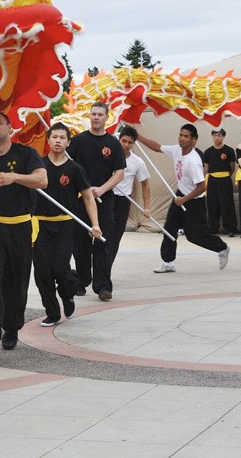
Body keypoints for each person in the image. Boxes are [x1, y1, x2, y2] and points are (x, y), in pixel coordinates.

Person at [0, 112, 47, 363]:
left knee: (16, 282)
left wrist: (13, 177)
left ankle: (11, 326)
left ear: (10, 128)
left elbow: (42, 180)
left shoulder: (26, 154)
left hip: (21, 226)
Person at [33, 123, 101, 327]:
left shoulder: (75, 169)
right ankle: (52, 313)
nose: (57, 141)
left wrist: (95, 224)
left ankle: (68, 294)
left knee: (60, 269)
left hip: (65, 226)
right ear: (48, 139)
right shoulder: (38, 167)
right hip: (40, 226)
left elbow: (89, 198)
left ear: (68, 142)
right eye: (54, 137)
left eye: (62, 138)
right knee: (42, 272)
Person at [136, 124, 229, 273]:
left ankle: (222, 248)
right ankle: (168, 262)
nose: (182, 138)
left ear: (194, 140)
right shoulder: (176, 150)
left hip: (194, 201)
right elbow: (157, 147)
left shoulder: (193, 161)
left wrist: (184, 199)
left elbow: (202, 187)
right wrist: (137, 137)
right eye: (180, 135)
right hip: (180, 195)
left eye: (186, 136)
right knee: (169, 230)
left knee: (194, 236)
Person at [67, 102, 126, 301]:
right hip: (80, 199)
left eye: (100, 114)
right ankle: (82, 281)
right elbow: (69, 165)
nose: (96, 118)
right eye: (93, 114)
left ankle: (102, 286)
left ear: (106, 117)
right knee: (80, 242)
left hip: (105, 199)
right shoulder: (78, 141)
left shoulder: (113, 143)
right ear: (89, 116)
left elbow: (119, 173)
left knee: (103, 241)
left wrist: (102, 189)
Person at [111, 126, 150, 267]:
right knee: (102, 234)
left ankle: (106, 267)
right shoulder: (108, 156)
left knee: (115, 237)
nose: (126, 145)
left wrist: (146, 207)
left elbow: (145, 184)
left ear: (134, 143)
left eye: (130, 142)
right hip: (107, 197)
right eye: (124, 141)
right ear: (119, 139)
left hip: (123, 201)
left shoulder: (138, 162)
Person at [203, 128, 238, 237]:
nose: (217, 137)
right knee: (212, 204)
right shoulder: (208, 152)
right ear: (212, 136)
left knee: (227, 204)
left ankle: (231, 228)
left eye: (219, 135)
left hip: (225, 180)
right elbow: (206, 168)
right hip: (212, 180)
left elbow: (232, 167)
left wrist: (225, 176)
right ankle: (213, 228)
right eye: (214, 135)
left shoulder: (229, 150)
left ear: (223, 136)